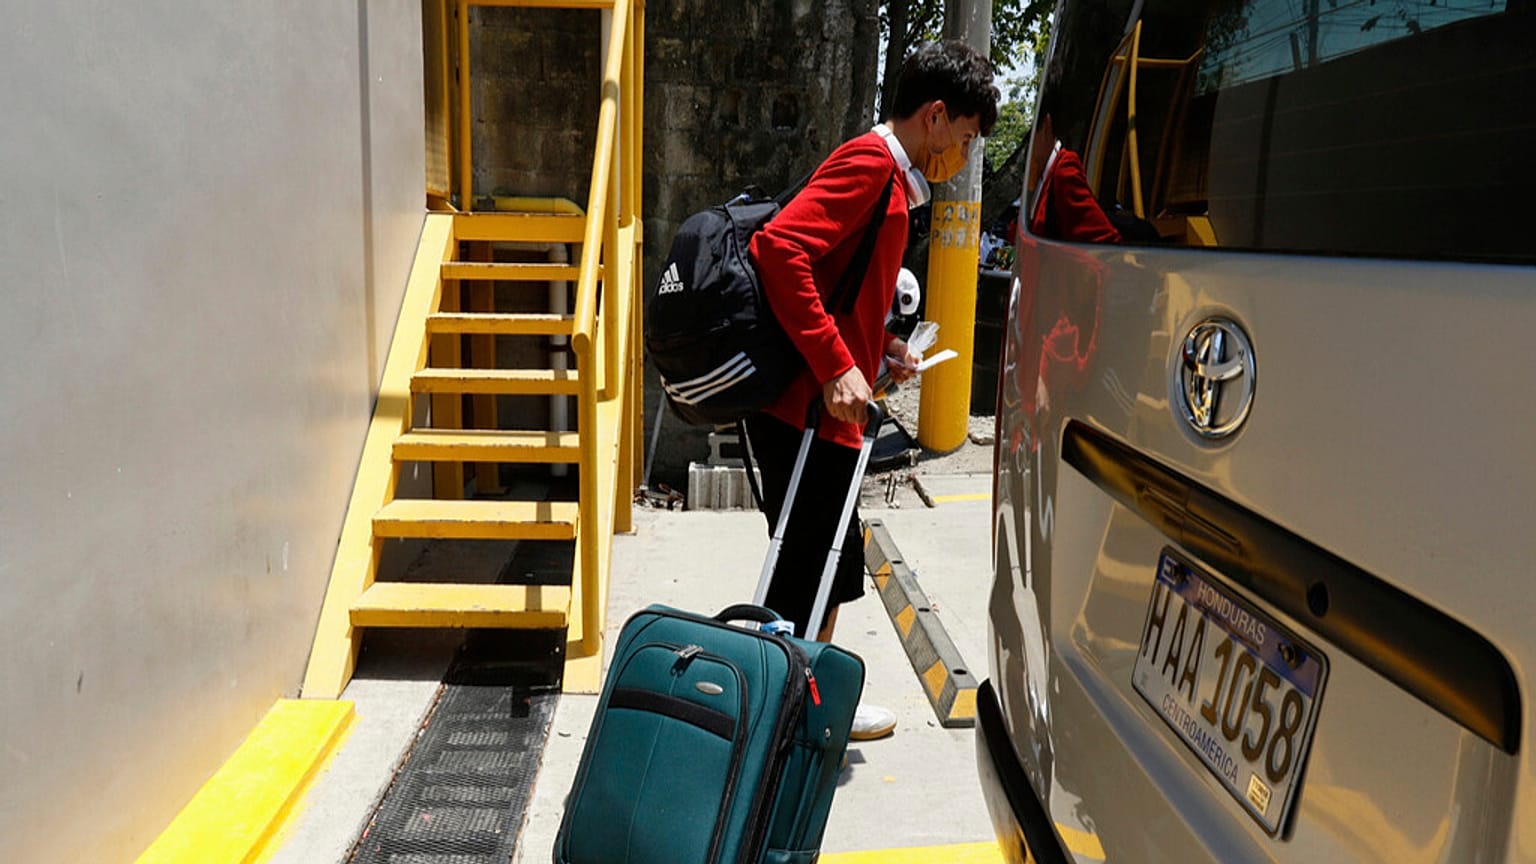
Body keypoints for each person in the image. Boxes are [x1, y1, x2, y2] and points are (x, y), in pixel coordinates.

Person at [747, 40, 999, 740]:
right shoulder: (870, 164)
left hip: (830, 412)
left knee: (830, 565)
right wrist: (834, 365)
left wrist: (883, 349)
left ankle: (805, 699)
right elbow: (780, 248)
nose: (963, 157)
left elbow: (839, 285)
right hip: (808, 411)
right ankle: (792, 712)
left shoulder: (891, 177)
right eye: (967, 139)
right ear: (937, 115)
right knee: (810, 567)